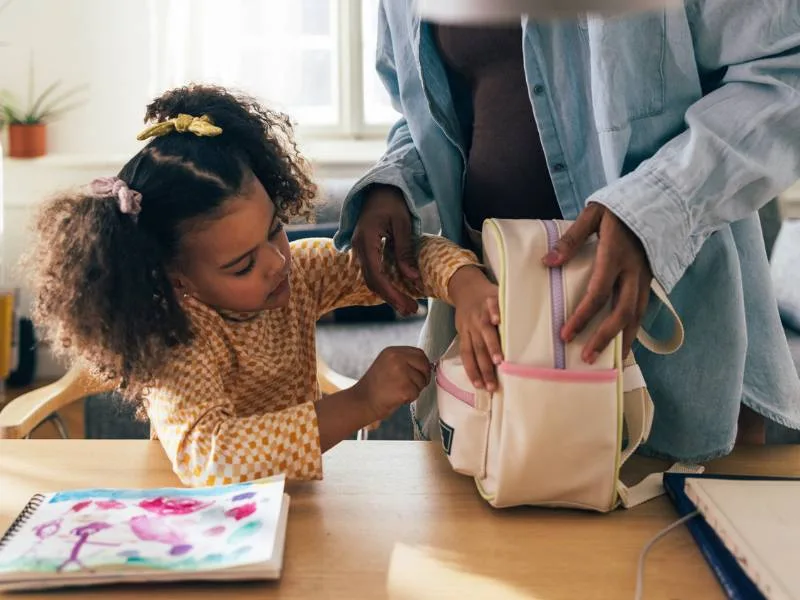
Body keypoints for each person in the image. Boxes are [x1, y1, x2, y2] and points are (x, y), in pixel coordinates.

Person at [334, 2, 800, 461]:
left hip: (674, 334)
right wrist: (393, 183)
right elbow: (431, 117)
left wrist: (657, 206)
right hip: (499, 345)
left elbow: (785, 73)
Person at [27, 84, 502, 486]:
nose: (277, 263)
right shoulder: (175, 339)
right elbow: (213, 457)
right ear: (177, 279)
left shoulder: (298, 271)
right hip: (202, 524)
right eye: (241, 265)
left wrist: (463, 283)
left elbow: (405, 257)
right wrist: (360, 401)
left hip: (295, 507)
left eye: (275, 228)